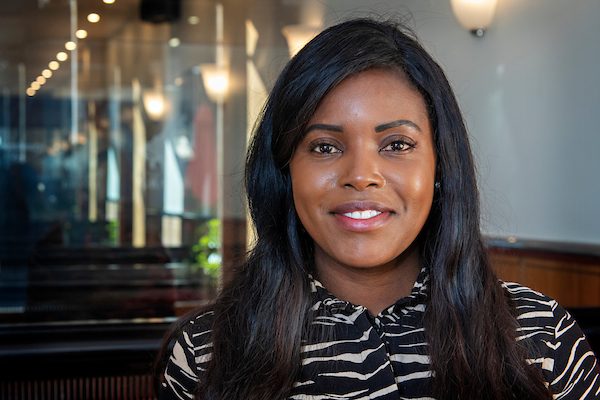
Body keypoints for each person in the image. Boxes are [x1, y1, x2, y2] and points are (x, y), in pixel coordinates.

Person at [155, 18, 600, 400]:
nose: (362, 175)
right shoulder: (205, 352)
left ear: (440, 164)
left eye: (397, 144)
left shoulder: (541, 336)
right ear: (285, 170)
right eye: (325, 146)